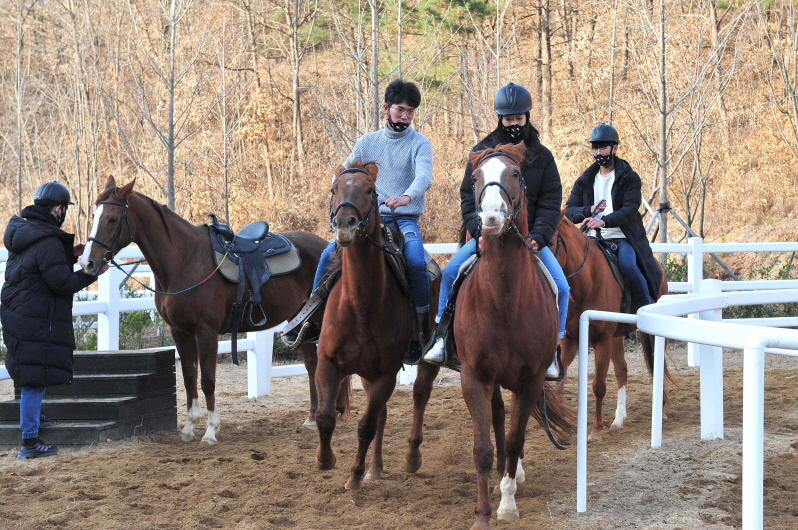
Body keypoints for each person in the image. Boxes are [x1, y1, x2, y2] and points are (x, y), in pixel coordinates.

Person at [423, 82, 569, 380]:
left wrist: (539, 236)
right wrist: (477, 228)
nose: (514, 124)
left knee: (562, 287)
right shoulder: (481, 152)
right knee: (449, 273)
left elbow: (551, 200)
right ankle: (441, 336)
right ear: (500, 118)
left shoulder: (542, 156)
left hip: (529, 238)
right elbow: (468, 197)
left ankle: (553, 350)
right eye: (508, 118)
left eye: (518, 118)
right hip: (487, 235)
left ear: (527, 117)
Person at [282, 78, 433, 359]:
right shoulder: (367, 142)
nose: (405, 116)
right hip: (366, 220)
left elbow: (424, 177)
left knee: (415, 260)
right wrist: (341, 189)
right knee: (328, 254)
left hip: (404, 219)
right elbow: (344, 171)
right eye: (400, 109)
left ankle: (419, 329)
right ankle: (309, 317)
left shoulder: (420, 144)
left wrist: (406, 197)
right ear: (386, 108)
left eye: (410, 111)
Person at [1, 181, 108, 459]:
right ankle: (29, 443)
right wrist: (92, 273)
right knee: (34, 381)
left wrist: (69, 255)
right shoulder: (48, 240)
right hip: (36, 318)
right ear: (58, 209)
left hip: (19, 315)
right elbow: (62, 282)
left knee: (30, 372)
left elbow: (37, 266)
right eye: (64, 210)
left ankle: (34, 418)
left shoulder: (27, 233)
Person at [564, 123, 661, 307]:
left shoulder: (629, 177)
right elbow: (569, 211)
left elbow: (630, 210)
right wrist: (588, 210)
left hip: (621, 237)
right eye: (595, 148)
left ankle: (646, 308)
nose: (598, 152)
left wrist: (603, 222)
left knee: (628, 265)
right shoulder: (584, 180)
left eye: (603, 147)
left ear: (614, 148)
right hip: (590, 238)